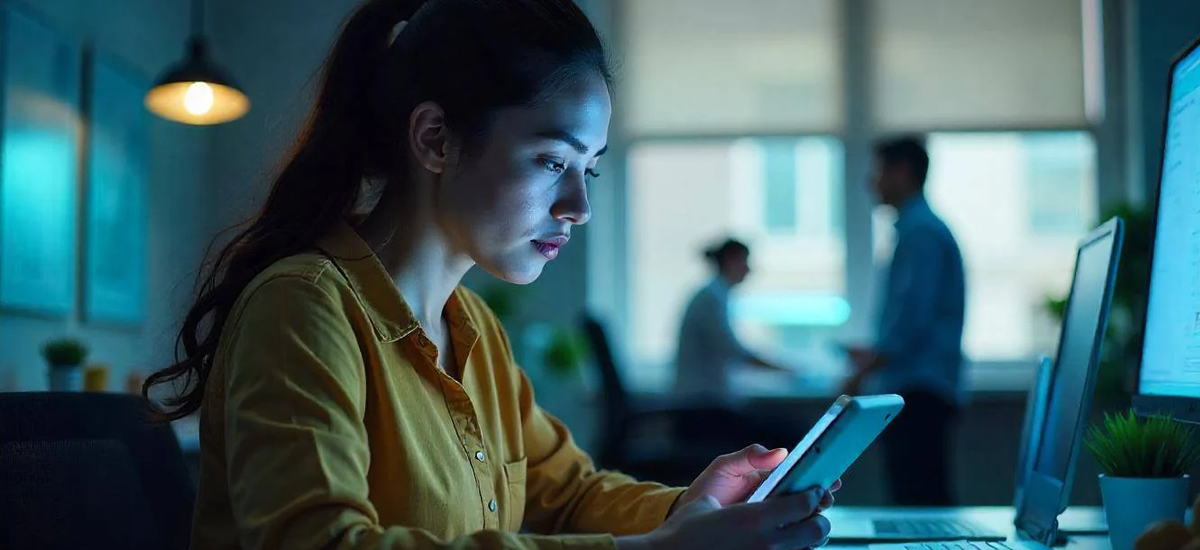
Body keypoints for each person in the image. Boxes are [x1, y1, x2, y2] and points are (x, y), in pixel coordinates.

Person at [141, 1, 837, 549]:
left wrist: (694, 506)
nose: (580, 206)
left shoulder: (472, 327)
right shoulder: (303, 310)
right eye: (550, 162)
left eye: (587, 168)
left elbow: (566, 494)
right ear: (435, 139)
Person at [842, 136, 966, 507]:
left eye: (878, 170)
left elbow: (911, 321)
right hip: (918, 386)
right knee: (919, 497)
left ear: (902, 172)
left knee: (919, 500)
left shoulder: (921, 233)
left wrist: (864, 369)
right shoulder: (916, 230)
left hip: (918, 390)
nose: (871, 181)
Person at [675, 238, 791, 400]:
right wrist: (782, 369)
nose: (749, 269)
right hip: (701, 400)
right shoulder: (710, 299)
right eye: (745, 262)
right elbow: (733, 350)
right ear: (731, 261)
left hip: (707, 396)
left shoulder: (716, 295)